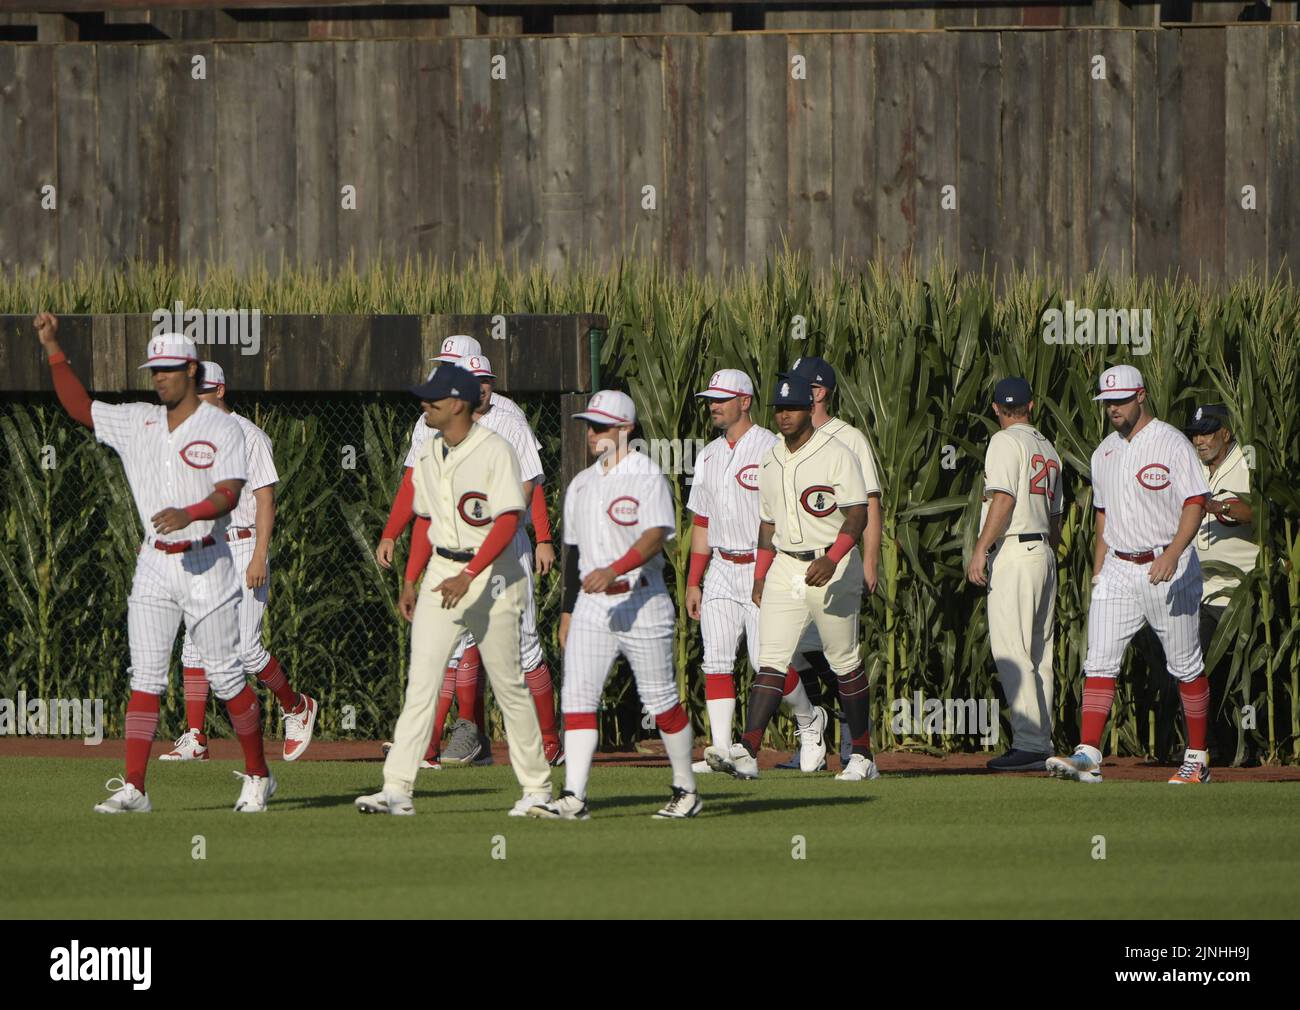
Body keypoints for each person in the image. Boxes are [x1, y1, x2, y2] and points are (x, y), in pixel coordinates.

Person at [35, 315, 275, 813]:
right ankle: (135, 788)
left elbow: (231, 493)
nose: (160, 377)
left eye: (168, 369)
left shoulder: (223, 427)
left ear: (191, 370)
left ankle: (258, 774)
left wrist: (190, 512)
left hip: (208, 559)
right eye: (154, 370)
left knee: (227, 676)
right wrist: (54, 347)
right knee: (144, 676)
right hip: (154, 563)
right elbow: (79, 407)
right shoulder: (138, 420)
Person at [355, 365, 551, 816]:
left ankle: (538, 790)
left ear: (459, 404)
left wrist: (472, 573)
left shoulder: (496, 449)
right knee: (422, 681)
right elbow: (426, 520)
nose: (425, 405)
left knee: (509, 685)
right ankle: (397, 787)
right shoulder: (429, 450)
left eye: (434, 399)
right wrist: (411, 579)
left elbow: (507, 519)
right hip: (443, 571)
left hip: (494, 572)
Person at [528, 390, 700, 819]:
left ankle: (686, 789)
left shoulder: (647, 475)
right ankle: (574, 796)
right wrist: (567, 611)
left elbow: (656, 535)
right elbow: (573, 554)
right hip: (591, 604)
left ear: (626, 429)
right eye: (589, 425)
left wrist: (616, 568)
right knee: (577, 697)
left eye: (601, 426)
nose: (592, 433)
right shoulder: (581, 484)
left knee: (661, 701)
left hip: (642, 598)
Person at [1046, 365, 1213, 785]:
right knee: (1099, 660)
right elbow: (1103, 515)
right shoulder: (1103, 452)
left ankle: (1197, 758)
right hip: (1118, 567)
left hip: (1168, 565)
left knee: (1185, 665)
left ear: (1141, 395)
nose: (1113, 409)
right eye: (1107, 402)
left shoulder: (1172, 442)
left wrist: (1174, 552)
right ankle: (1088, 755)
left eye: (1120, 400)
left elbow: (1196, 501)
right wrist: (1098, 570)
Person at [709, 375, 879, 782]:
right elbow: (768, 523)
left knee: (844, 661)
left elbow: (858, 513)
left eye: (793, 408)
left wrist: (834, 558)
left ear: (809, 409)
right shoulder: (770, 459)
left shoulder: (836, 453)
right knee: (770, 658)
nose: (784, 416)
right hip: (786, 565)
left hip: (832, 563)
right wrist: (760, 575)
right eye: (779, 409)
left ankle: (862, 756)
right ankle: (747, 750)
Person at [162, 362, 318, 763]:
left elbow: (266, 499)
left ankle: (297, 706)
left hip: (245, 546)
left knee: (247, 649)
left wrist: (260, 556)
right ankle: (196, 737)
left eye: (203, 392)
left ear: (220, 391)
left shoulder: (250, 437)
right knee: (194, 646)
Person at [772, 356, 883, 770]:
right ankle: (814, 741)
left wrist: (869, 561)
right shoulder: (785, 439)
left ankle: (856, 745)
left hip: (837, 566)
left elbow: (869, 504)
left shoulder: (848, 438)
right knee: (792, 654)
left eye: (798, 384)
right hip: (793, 570)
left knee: (841, 656)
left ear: (817, 392)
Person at [682, 369, 784, 773]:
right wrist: (693, 581)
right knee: (717, 659)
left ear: (745, 401)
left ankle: (810, 718)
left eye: (722, 398)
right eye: (711, 399)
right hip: (722, 566)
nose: (713, 405)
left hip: (764, 566)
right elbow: (702, 521)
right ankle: (722, 749)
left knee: (765, 662)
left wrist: (766, 573)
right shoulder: (708, 453)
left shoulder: (771, 447)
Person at [966, 377, 1063, 771]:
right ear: (1031, 406)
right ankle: (1040, 740)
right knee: (1040, 654)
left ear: (995, 408)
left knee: (1011, 649)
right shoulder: (1047, 447)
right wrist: (1047, 555)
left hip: (1016, 550)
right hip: (1042, 551)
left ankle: (1029, 743)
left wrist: (980, 547)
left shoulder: (1004, 442)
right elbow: (1056, 516)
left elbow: (1003, 499)